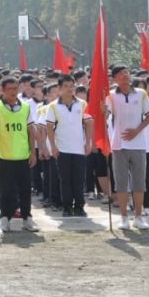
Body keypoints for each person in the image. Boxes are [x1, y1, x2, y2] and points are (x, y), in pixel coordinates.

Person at [106, 66, 149, 231]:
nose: (124, 76)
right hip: (118, 144)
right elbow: (106, 114)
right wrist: (102, 111)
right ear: (114, 79)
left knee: (139, 182)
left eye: (126, 73)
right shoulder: (111, 96)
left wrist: (136, 131)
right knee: (121, 183)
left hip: (139, 144)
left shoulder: (141, 94)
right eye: (120, 75)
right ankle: (124, 218)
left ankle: (139, 217)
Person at [0, 77, 39, 233]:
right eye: (9, 89)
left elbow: (31, 130)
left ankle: (27, 219)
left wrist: (32, 153)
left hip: (23, 155)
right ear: (3, 90)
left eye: (15, 88)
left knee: (25, 189)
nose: (13, 92)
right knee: (6, 191)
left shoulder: (25, 107)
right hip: (4, 156)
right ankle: (5, 219)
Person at [45, 75, 91, 217]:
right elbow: (49, 127)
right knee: (65, 180)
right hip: (62, 148)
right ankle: (66, 207)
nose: (69, 89)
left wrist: (88, 142)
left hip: (79, 148)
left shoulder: (82, 104)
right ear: (59, 89)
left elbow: (89, 123)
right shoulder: (53, 106)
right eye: (66, 86)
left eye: (72, 86)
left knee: (78, 179)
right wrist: (53, 146)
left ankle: (79, 206)